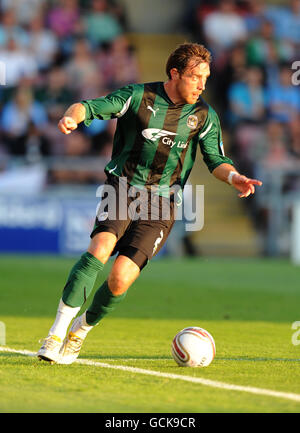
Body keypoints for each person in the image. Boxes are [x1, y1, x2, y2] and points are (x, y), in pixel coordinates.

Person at [37, 43, 262, 365]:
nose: (202, 85)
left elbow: (215, 159)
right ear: (175, 73)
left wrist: (234, 177)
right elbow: (89, 106)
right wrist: (72, 117)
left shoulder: (204, 116)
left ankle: (80, 331)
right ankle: (55, 334)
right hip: (123, 187)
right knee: (100, 248)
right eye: (196, 77)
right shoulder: (137, 96)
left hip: (163, 202)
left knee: (120, 279)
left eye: (206, 78)